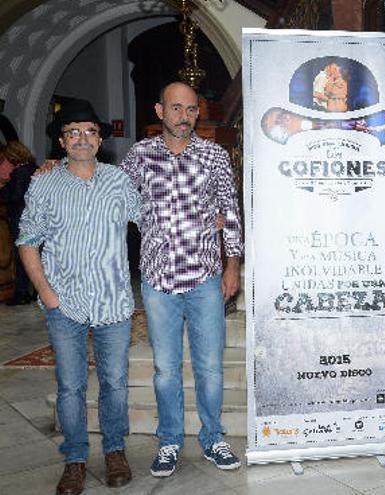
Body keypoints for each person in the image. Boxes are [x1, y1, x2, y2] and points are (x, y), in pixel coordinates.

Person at [120, 81, 243, 477]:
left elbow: (230, 210)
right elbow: (112, 198)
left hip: (205, 278)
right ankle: (170, 441)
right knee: (165, 370)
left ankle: (213, 438)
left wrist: (232, 265)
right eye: (176, 108)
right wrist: (60, 166)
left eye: (191, 110)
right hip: (158, 280)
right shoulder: (139, 156)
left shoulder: (214, 155)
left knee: (210, 367)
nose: (184, 117)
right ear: (159, 111)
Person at [17, 100, 140, 495]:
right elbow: (27, 241)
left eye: (89, 131)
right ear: (62, 140)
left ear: (100, 138)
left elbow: (153, 221)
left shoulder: (119, 181)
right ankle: (74, 459)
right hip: (64, 304)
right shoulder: (44, 182)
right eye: (73, 132)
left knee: (115, 382)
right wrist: (48, 295)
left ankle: (115, 450)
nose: (82, 139)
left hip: (113, 302)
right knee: (70, 386)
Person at [0, 140, 38, 305]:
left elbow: (14, 197)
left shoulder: (20, 172)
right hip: (33, 217)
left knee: (21, 256)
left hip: (20, 217)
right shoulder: (32, 169)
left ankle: (22, 293)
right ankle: (36, 292)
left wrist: (2, 188)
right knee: (34, 255)